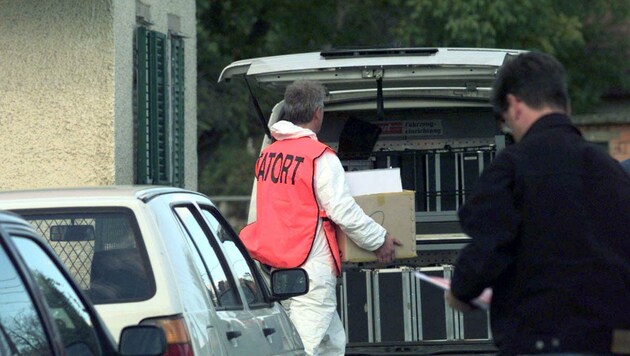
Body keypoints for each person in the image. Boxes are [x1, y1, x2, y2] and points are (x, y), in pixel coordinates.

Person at [445, 51, 630, 355]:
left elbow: (489, 244)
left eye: (504, 122)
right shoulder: (610, 170)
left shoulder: (512, 167)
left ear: (515, 106)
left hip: (538, 341)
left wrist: (460, 290)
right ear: (565, 105)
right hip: (609, 343)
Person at [240, 80, 401, 356]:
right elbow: (343, 211)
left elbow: (256, 213)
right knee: (306, 349)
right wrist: (379, 239)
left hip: (276, 270)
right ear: (317, 112)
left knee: (331, 343)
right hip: (310, 271)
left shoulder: (268, 156)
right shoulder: (320, 157)